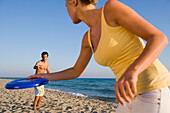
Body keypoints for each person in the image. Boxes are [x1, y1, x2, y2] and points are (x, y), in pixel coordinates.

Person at [28, 0, 170, 113]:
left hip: (152, 89)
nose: (66, 10)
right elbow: (76, 71)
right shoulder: (87, 39)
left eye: (66, 5)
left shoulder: (111, 9)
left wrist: (133, 70)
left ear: (74, 2)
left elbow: (159, 38)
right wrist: (43, 77)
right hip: (127, 97)